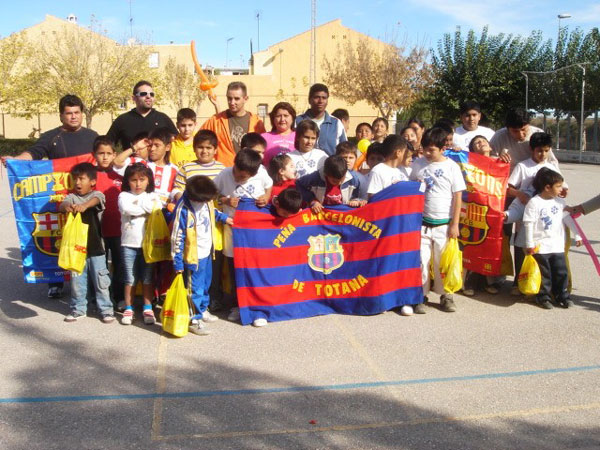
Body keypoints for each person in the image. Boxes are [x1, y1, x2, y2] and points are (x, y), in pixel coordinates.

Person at [2, 94, 98, 299]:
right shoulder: (51, 136)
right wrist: (15, 160)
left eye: (77, 112)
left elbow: (102, 158)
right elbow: (34, 154)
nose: (73, 117)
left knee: (86, 238)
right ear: (61, 115)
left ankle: (87, 278)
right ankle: (54, 281)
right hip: (59, 196)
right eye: (69, 113)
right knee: (58, 237)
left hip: (85, 196)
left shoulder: (92, 136)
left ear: (82, 113)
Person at [410, 127, 466, 314]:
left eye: (431, 150)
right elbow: (410, 189)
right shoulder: (418, 164)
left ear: (443, 148)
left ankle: (446, 296)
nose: (426, 153)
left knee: (442, 261)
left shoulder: (452, 167)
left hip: (444, 224)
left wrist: (455, 224)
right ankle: (421, 296)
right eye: (425, 148)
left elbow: (458, 197)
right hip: (422, 223)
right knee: (421, 260)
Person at [214, 149, 273, 326]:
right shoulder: (224, 174)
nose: (239, 178)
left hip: (255, 231)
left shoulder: (261, 172)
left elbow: (269, 185)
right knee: (234, 268)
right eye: (238, 174)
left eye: (244, 177)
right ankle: (237, 305)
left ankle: (257, 305)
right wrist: (225, 200)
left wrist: (266, 197)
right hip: (233, 231)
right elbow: (212, 194)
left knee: (254, 267)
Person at [171, 129, 227, 311]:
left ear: (215, 149)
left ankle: (209, 303)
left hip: (212, 224)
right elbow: (176, 190)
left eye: (208, 148)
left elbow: (221, 196)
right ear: (194, 149)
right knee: (195, 273)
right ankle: (195, 313)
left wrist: (225, 216)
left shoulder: (221, 169)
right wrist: (186, 201)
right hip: (192, 225)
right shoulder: (187, 168)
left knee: (211, 268)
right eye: (200, 148)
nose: (204, 151)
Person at [505, 132, 566, 295]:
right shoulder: (523, 166)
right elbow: (507, 188)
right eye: (539, 150)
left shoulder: (552, 167)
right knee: (522, 246)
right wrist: (519, 194)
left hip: (545, 219)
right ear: (531, 149)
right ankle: (518, 283)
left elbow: (561, 187)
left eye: (546, 151)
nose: (543, 154)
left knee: (543, 254)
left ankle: (540, 286)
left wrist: (563, 192)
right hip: (524, 213)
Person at [171, 176, 233, 335]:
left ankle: (203, 309)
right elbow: (177, 238)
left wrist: (226, 219)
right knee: (195, 289)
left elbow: (212, 213)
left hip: (207, 251)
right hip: (193, 256)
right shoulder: (183, 210)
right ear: (195, 197)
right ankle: (194, 319)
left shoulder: (206, 202)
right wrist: (178, 263)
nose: (208, 202)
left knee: (206, 284)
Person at [58, 163, 115, 323]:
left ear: (92, 181)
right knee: (77, 281)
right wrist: (68, 206)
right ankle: (78, 309)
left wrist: (84, 205)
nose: (77, 183)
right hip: (76, 251)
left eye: (81, 179)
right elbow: (62, 205)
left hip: (97, 248)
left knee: (101, 280)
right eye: (75, 179)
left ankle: (106, 309)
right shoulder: (71, 197)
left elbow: (97, 200)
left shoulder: (97, 195)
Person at [523, 168, 581, 309]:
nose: (562, 189)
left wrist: (577, 235)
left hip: (557, 245)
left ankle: (562, 295)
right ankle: (543, 297)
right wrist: (529, 243)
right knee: (545, 274)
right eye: (559, 186)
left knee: (561, 272)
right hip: (540, 247)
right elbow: (528, 224)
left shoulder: (560, 203)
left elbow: (568, 220)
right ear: (547, 187)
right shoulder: (534, 203)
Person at [118, 163, 162, 326]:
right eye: (134, 180)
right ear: (128, 181)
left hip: (148, 245)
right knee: (130, 277)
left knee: (147, 277)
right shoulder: (123, 195)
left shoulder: (153, 196)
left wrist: (140, 206)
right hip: (128, 244)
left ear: (148, 180)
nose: (138, 184)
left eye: (142, 180)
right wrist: (144, 208)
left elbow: (156, 208)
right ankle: (129, 307)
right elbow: (126, 209)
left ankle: (147, 307)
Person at [92, 136, 125, 308]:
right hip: (98, 231)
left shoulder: (121, 177)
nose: (104, 157)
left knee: (120, 265)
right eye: (100, 153)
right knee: (100, 266)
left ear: (114, 155)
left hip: (119, 230)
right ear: (94, 155)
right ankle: (101, 298)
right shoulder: (89, 176)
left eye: (108, 153)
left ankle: (120, 297)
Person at [201, 81, 266, 167]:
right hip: (223, 171)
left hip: (249, 171)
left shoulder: (256, 122)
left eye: (236, 98)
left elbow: (263, 148)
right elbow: (199, 140)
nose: (232, 102)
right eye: (229, 98)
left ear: (245, 99)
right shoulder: (215, 121)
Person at [106, 80, 177, 152]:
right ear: (134, 98)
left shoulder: (163, 118)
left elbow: (177, 142)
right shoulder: (122, 120)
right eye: (143, 94)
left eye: (151, 94)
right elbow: (106, 145)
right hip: (132, 162)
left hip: (158, 163)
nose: (148, 96)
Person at [490, 108, 559, 170]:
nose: (520, 134)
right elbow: (488, 158)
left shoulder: (539, 134)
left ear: (529, 125)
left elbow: (551, 160)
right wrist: (498, 160)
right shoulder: (499, 136)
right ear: (507, 129)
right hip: (508, 178)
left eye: (524, 129)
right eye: (515, 131)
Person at [296, 155, 366, 214]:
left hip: (342, 215)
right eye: (334, 181)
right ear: (326, 174)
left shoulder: (353, 179)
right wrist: (312, 201)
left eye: (342, 179)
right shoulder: (315, 178)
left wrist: (356, 200)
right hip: (321, 215)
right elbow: (299, 184)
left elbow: (360, 196)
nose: (339, 183)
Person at [295, 83, 347, 155]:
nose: (320, 101)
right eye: (317, 97)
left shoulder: (336, 123)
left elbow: (345, 150)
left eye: (324, 98)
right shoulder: (298, 121)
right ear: (309, 100)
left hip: (330, 165)